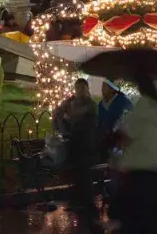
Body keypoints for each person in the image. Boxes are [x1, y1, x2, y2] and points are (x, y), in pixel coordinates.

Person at [111, 74, 157, 234]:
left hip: (142, 174)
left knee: (140, 222)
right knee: (156, 222)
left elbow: (128, 134)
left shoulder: (142, 108)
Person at [54, 79, 100, 231]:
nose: (79, 91)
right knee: (77, 172)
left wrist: (70, 116)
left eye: (82, 88)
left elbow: (85, 120)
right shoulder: (71, 102)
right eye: (77, 88)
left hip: (85, 146)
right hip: (74, 144)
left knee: (83, 172)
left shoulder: (90, 105)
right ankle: (81, 201)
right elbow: (58, 113)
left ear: (86, 89)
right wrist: (63, 120)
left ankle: (88, 205)